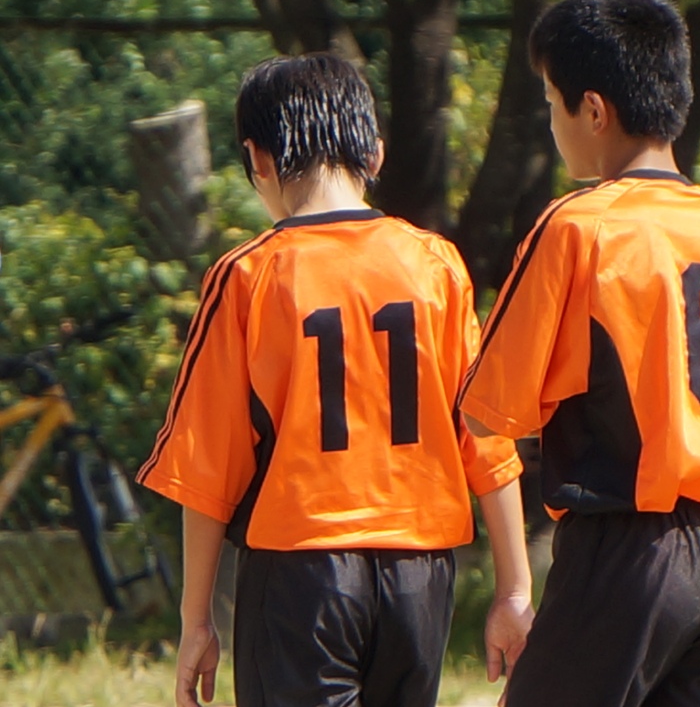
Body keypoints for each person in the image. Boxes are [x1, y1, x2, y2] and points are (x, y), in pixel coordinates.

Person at [457, 0, 700, 707]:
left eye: (551, 102)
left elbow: (487, 409)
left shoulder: (580, 226)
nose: (551, 121)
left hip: (627, 545)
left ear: (594, 110)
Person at [136, 53, 533, 707]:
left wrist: (196, 618)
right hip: (420, 570)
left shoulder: (248, 276)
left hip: (302, 569)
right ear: (374, 152)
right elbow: (487, 438)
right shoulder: (435, 265)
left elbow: (207, 465)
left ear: (258, 159)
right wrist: (514, 589)